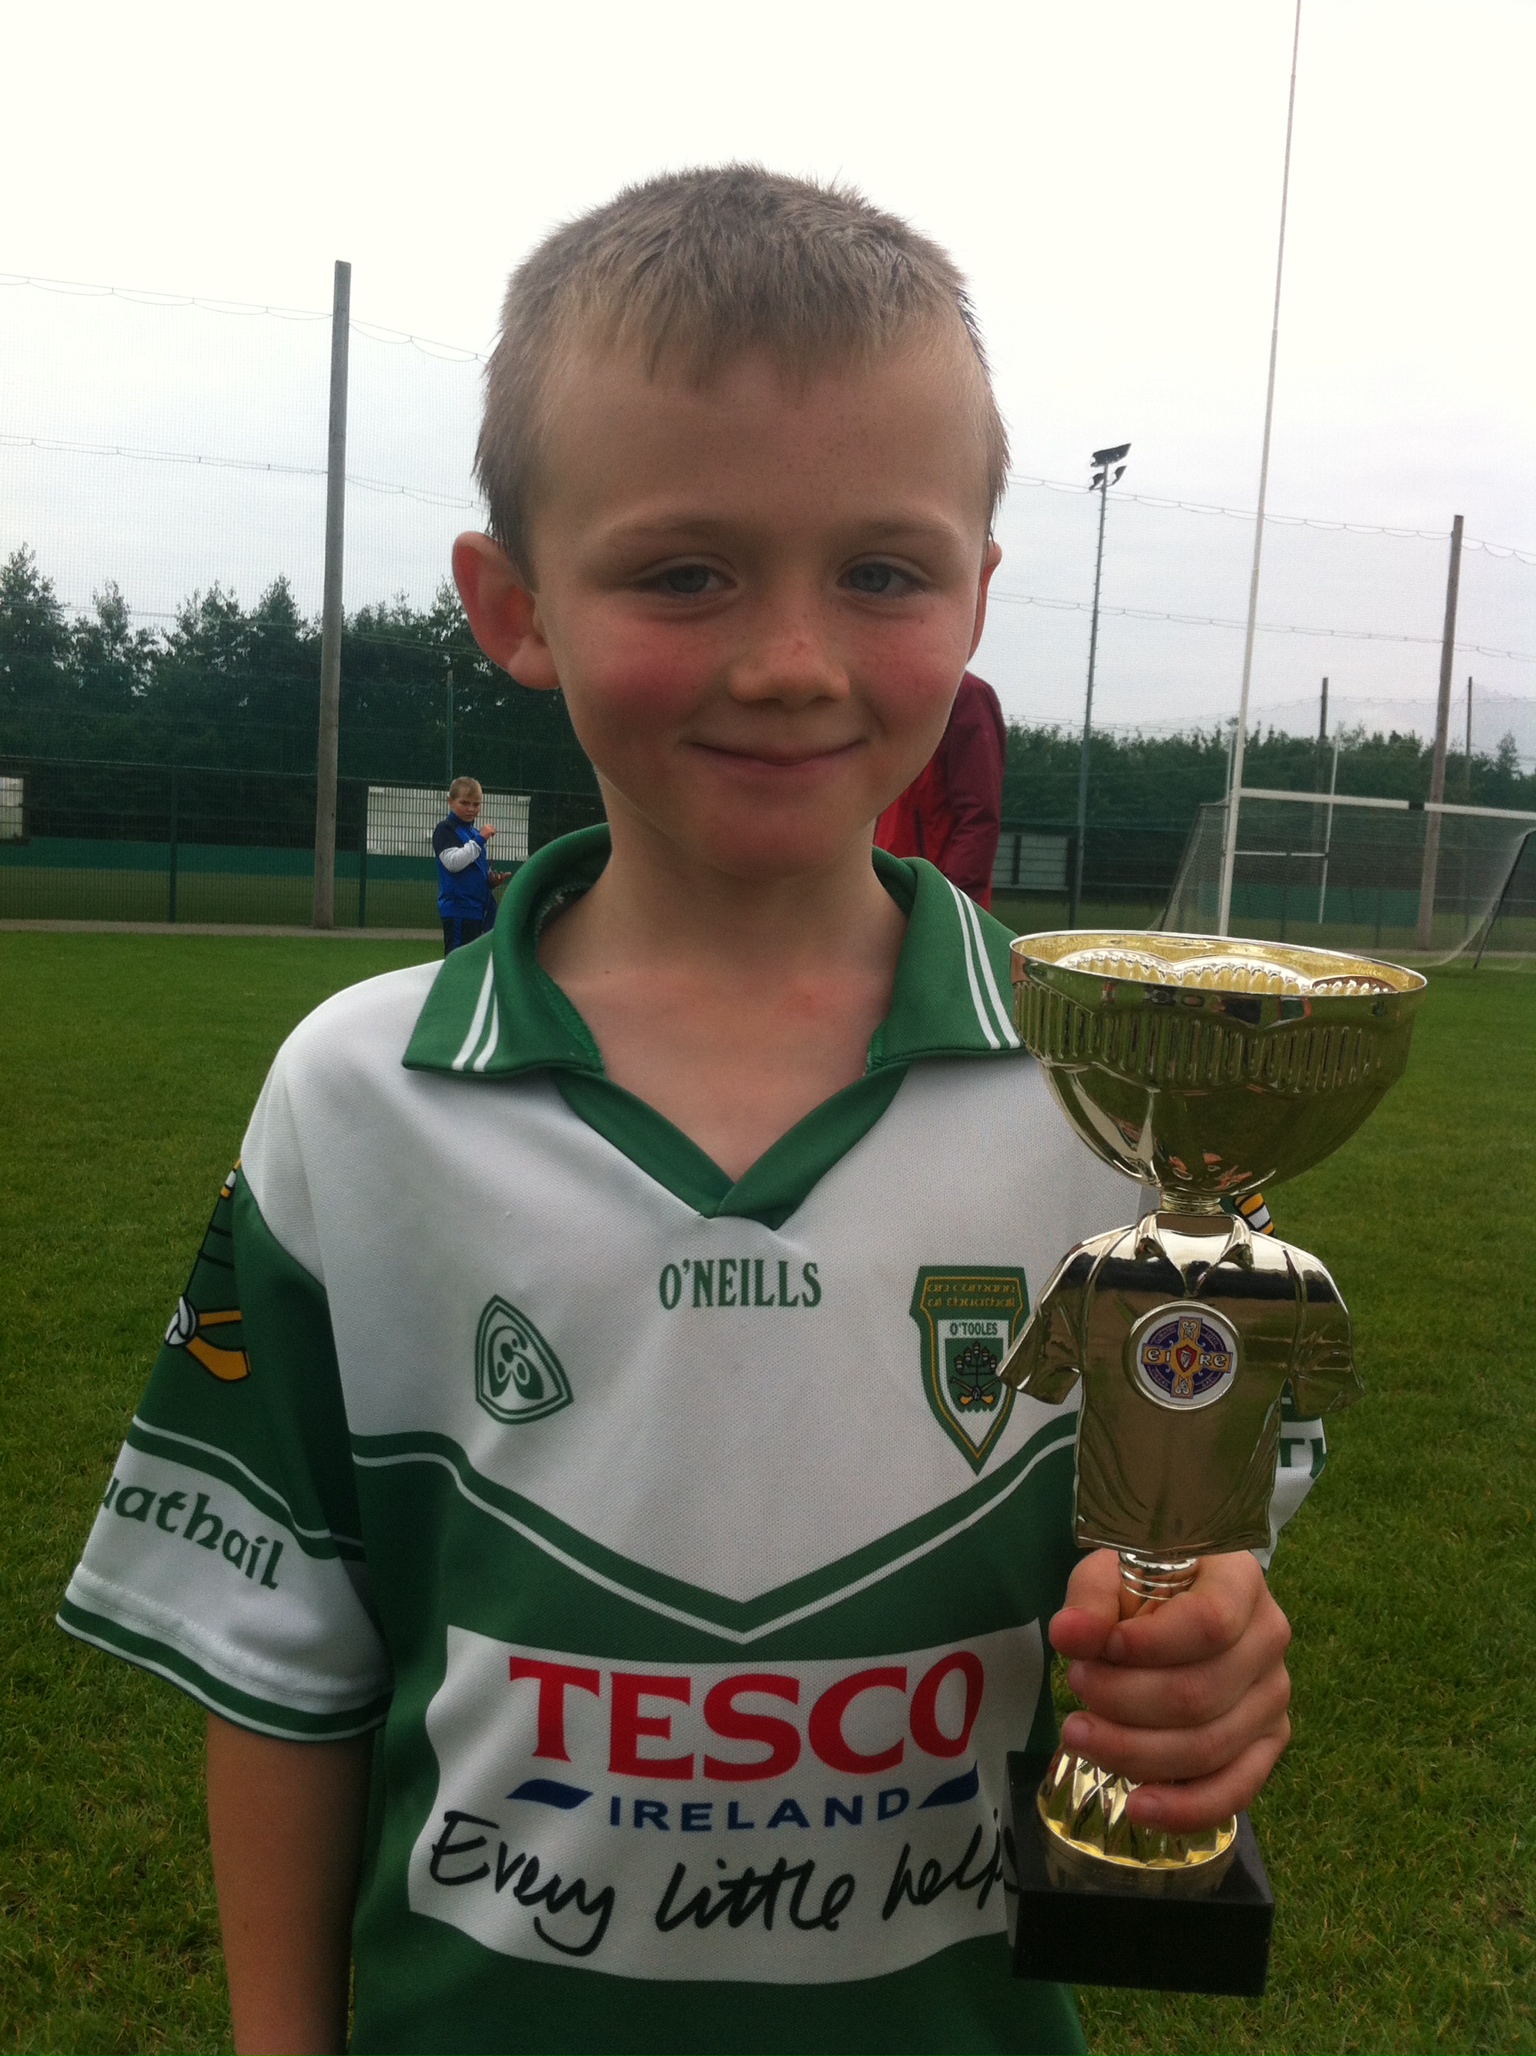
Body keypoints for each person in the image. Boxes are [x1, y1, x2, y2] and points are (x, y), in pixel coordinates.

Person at [60, 169, 1297, 2056]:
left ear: (976, 593)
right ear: (514, 606)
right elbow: (287, 1674)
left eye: (880, 573)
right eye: (683, 572)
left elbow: (1181, 1579)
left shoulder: (1123, 1108)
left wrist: (1204, 1660)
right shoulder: (358, 1100)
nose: (789, 660)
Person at [875, 668, 1007, 907]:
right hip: (888, 886)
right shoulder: (889, 690)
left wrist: (950, 903)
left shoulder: (965, 694)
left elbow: (979, 815)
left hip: (927, 895)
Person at [434, 775, 507, 952]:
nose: (471, 809)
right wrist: (480, 839)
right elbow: (453, 863)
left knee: (479, 961)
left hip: (479, 909)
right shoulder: (446, 829)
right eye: (464, 803)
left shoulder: (473, 833)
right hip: (459, 908)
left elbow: (472, 867)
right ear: (451, 802)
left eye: (476, 804)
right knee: (460, 961)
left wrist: (489, 881)